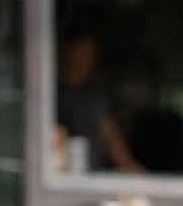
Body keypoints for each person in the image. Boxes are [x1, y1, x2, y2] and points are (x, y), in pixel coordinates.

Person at [53, 29, 144, 173]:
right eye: (82, 49)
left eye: (91, 52)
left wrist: (137, 175)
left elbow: (111, 137)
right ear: (65, 49)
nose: (87, 56)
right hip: (64, 178)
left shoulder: (93, 95)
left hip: (91, 177)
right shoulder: (49, 93)